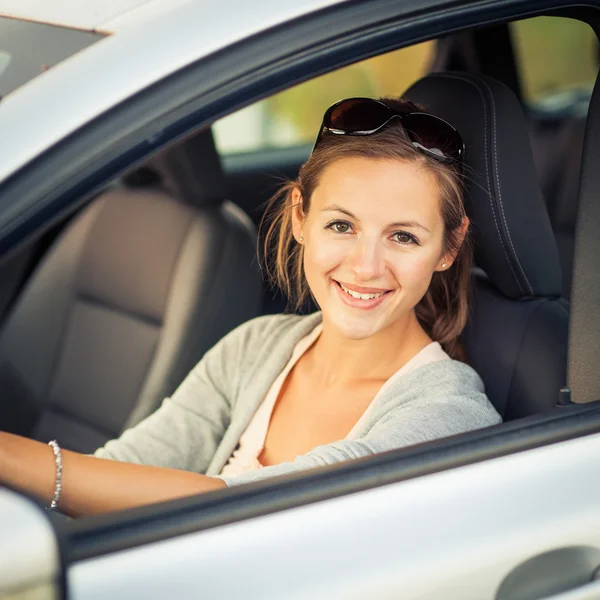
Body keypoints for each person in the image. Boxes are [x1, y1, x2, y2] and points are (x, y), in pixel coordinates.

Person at [0, 97, 501, 517]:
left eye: (403, 237)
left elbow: (257, 510)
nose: (366, 267)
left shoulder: (449, 415)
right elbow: (122, 468)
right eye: (341, 226)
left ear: (449, 248)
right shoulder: (254, 347)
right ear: (300, 218)